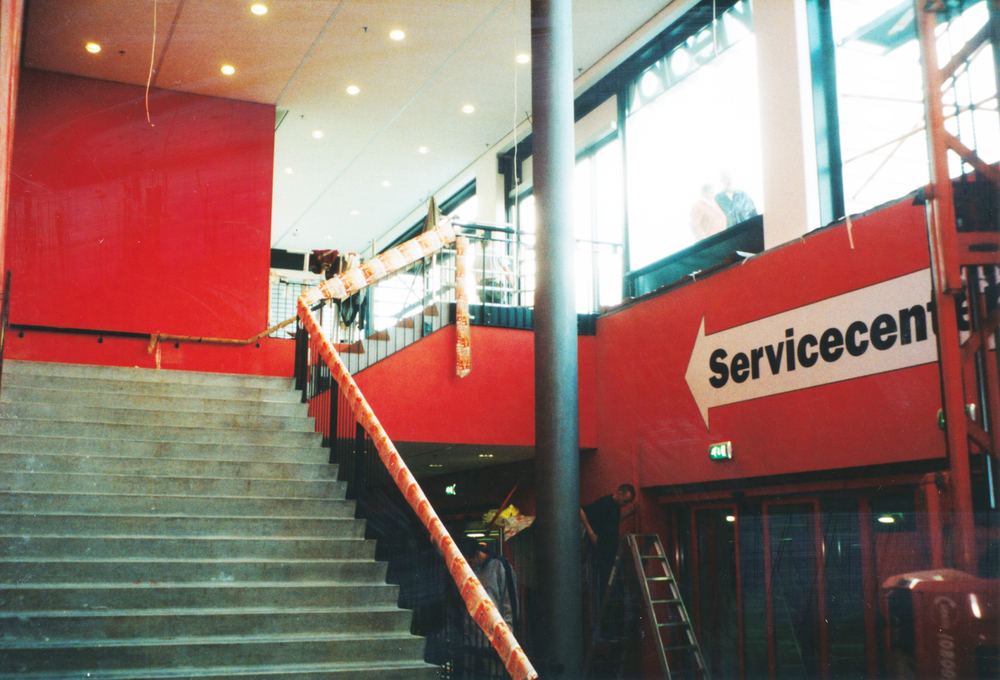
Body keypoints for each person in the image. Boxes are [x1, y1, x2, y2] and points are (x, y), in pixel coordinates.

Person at [581, 484, 636, 595]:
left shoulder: (616, 507)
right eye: (625, 501)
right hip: (599, 548)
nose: (625, 505)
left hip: (611, 548)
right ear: (619, 494)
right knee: (601, 579)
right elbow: (582, 511)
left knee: (611, 579)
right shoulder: (604, 502)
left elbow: (614, 521)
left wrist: (629, 513)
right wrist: (591, 533)